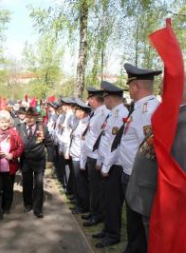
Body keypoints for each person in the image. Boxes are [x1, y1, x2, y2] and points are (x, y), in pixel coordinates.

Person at [116, 63, 161, 253]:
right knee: (133, 224)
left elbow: (150, 149)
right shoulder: (141, 107)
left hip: (138, 177)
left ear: (136, 86)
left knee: (139, 225)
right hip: (130, 173)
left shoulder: (148, 110)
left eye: (129, 85)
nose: (128, 89)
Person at [92, 81, 129, 248]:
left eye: (105, 97)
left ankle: (113, 234)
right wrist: (100, 161)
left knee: (113, 203)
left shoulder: (122, 114)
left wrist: (105, 166)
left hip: (115, 166)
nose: (104, 100)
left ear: (110, 98)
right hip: (108, 164)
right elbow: (105, 141)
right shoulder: (112, 113)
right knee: (107, 200)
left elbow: (115, 144)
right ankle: (107, 229)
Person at [80, 87, 109, 227]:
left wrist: (99, 159)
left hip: (96, 155)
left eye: (89, 99)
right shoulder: (96, 113)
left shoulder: (103, 113)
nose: (88, 102)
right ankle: (94, 212)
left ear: (93, 99)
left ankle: (97, 214)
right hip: (91, 154)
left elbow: (103, 138)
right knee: (93, 187)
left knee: (97, 189)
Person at [16, 107, 52, 218]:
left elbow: (49, 144)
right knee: (27, 184)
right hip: (25, 160)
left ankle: (38, 209)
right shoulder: (19, 128)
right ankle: (28, 205)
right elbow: (15, 143)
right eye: (27, 117)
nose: (29, 119)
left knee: (39, 185)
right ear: (25, 117)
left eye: (32, 117)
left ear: (36, 117)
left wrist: (50, 160)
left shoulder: (43, 127)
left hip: (39, 160)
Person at [69, 98, 91, 215]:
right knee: (78, 183)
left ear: (83, 112)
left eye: (77, 111)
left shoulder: (86, 123)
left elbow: (84, 144)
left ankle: (83, 206)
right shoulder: (81, 122)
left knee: (81, 184)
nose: (75, 113)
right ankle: (79, 202)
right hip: (76, 155)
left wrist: (82, 162)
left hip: (80, 157)